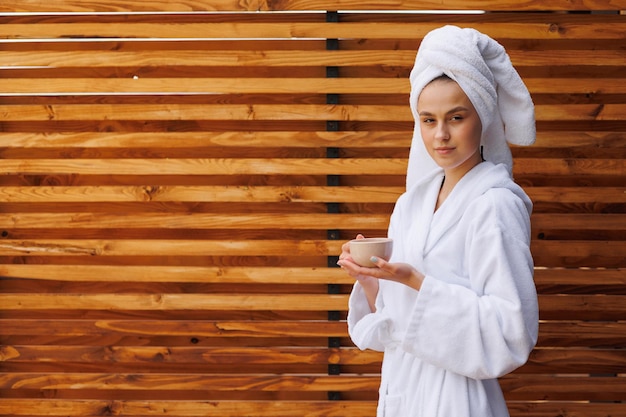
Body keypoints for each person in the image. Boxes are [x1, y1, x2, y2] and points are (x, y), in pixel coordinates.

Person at [337, 25, 539, 417]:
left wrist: (415, 281)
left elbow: (511, 334)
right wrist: (371, 280)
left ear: (482, 115)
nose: (441, 135)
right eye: (428, 120)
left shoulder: (495, 205)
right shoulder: (410, 205)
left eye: (456, 117)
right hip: (402, 392)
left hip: (458, 400)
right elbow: (397, 323)